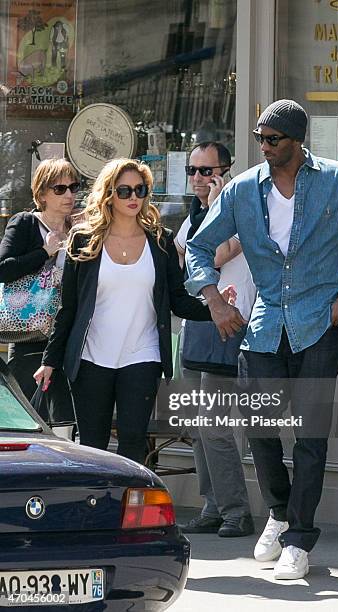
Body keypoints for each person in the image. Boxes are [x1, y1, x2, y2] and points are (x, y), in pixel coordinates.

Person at [184, 100, 338, 579]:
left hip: (321, 324)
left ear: (298, 139)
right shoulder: (242, 190)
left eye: (274, 139)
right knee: (261, 431)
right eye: (261, 138)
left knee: (310, 439)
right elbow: (198, 247)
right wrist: (213, 300)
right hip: (266, 326)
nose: (266, 147)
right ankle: (278, 511)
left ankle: (299, 537)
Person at [34, 158, 213, 464]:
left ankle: (126, 512)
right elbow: (69, 309)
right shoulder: (84, 240)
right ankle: (95, 511)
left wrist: (216, 309)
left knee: (133, 442)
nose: (133, 198)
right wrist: (50, 360)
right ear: (109, 194)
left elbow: (178, 299)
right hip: (91, 358)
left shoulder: (160, 241)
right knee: (92, 445)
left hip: (142, 357)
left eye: (140, 190)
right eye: (125, 191)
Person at [175, 142, 256, 538]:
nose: (198, 179)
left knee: (216, 426)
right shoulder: (194, 216)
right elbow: (182, 260)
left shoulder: (239, 208)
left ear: (226, 170)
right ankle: (212, 506)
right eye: (193, 170)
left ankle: (236, 512)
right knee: (197, 426)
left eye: (207, 171)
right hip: (196, 328)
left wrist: (217, 202)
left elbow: (218, 254)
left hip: (229, 326)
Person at [0, 158, 78, 424]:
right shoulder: (26, 223)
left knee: (65, 423)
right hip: (28, 338)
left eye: (73, 187)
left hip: (67, 339)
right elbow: (3, 269)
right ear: (42, 194)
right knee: (27, 420)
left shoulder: (79, 231)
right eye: (60, 189)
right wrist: (45, 252)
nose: (69, 194)